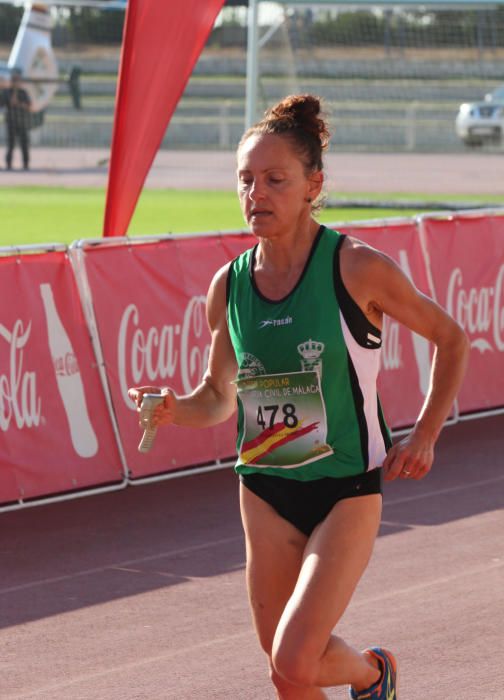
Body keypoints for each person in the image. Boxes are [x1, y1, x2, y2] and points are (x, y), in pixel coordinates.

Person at [128, 94, 469, 700]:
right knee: (285, 670)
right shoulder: (227, 286)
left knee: (298, 655)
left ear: (313, 184)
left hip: (345, 487)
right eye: (246, 180)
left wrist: (425, 434)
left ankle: (372, 673)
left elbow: (450, 337)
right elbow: (218, 395)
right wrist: (177, 408)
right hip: (264, 486)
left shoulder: (358, 267)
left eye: (274, 179)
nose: (256, 193)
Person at [2, 68, 31, 171]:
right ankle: (9, 164)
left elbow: (29, 106)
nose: (15, 82)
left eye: (17, 80)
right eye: (14, 80)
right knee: (10, 145)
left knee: (24, 145)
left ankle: (26, 164)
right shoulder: (6, 92)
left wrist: (20, 104)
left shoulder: (23, 92)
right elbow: (2, 104)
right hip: (11, 122)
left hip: (22, 121)